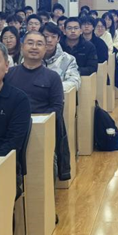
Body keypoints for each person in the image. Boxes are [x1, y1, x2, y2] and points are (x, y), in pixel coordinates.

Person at [5, 32, 70, 180]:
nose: (34, 47)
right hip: (13, 130)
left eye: (39, 44)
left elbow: (57, 108)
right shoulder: (9, 75)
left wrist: (36, 119)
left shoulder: (52, 77)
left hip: (43, 130)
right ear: (22, 47)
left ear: (45, 49)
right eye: (30, 43)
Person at [40, 22, 80, 91]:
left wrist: (52, 88)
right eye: (46, 36)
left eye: (53, 37)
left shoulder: (68, 59)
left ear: (58, 39)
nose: (49, 40)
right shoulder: (31, 57)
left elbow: (74, 82)